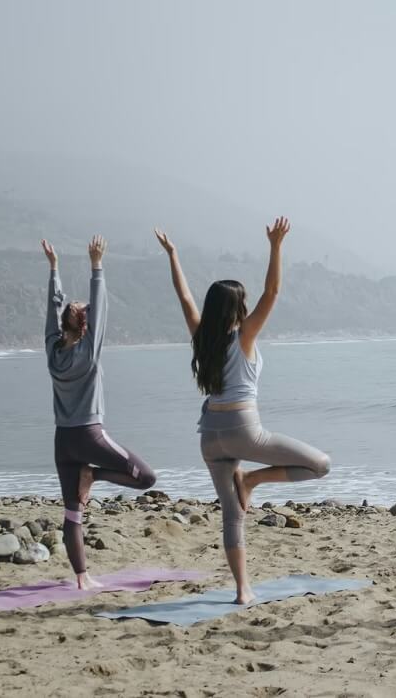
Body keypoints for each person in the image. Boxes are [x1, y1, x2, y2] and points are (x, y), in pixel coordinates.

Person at [155, 218, 330, 605]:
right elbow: (274, 291)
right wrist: (276, 245)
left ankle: (242, 590)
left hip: (209, 437)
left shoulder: (202, 338)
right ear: (238, 307)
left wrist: (173, 255)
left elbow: (184, 298)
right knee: (320, 465)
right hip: (243, 430)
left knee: (231, 516)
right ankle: (251, 480)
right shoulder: (245, 336)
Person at [43, 235, 158, 590]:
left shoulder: (52, 350)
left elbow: (52, 308)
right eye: (85, 313)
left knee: (72, 512)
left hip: (63, 440)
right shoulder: (89, 351)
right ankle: (94, 476)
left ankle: (82, 578)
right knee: (146, 478)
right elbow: (101, 305)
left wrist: (55, 270)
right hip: (90, 436)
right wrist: (96, 266)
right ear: (84, 324)